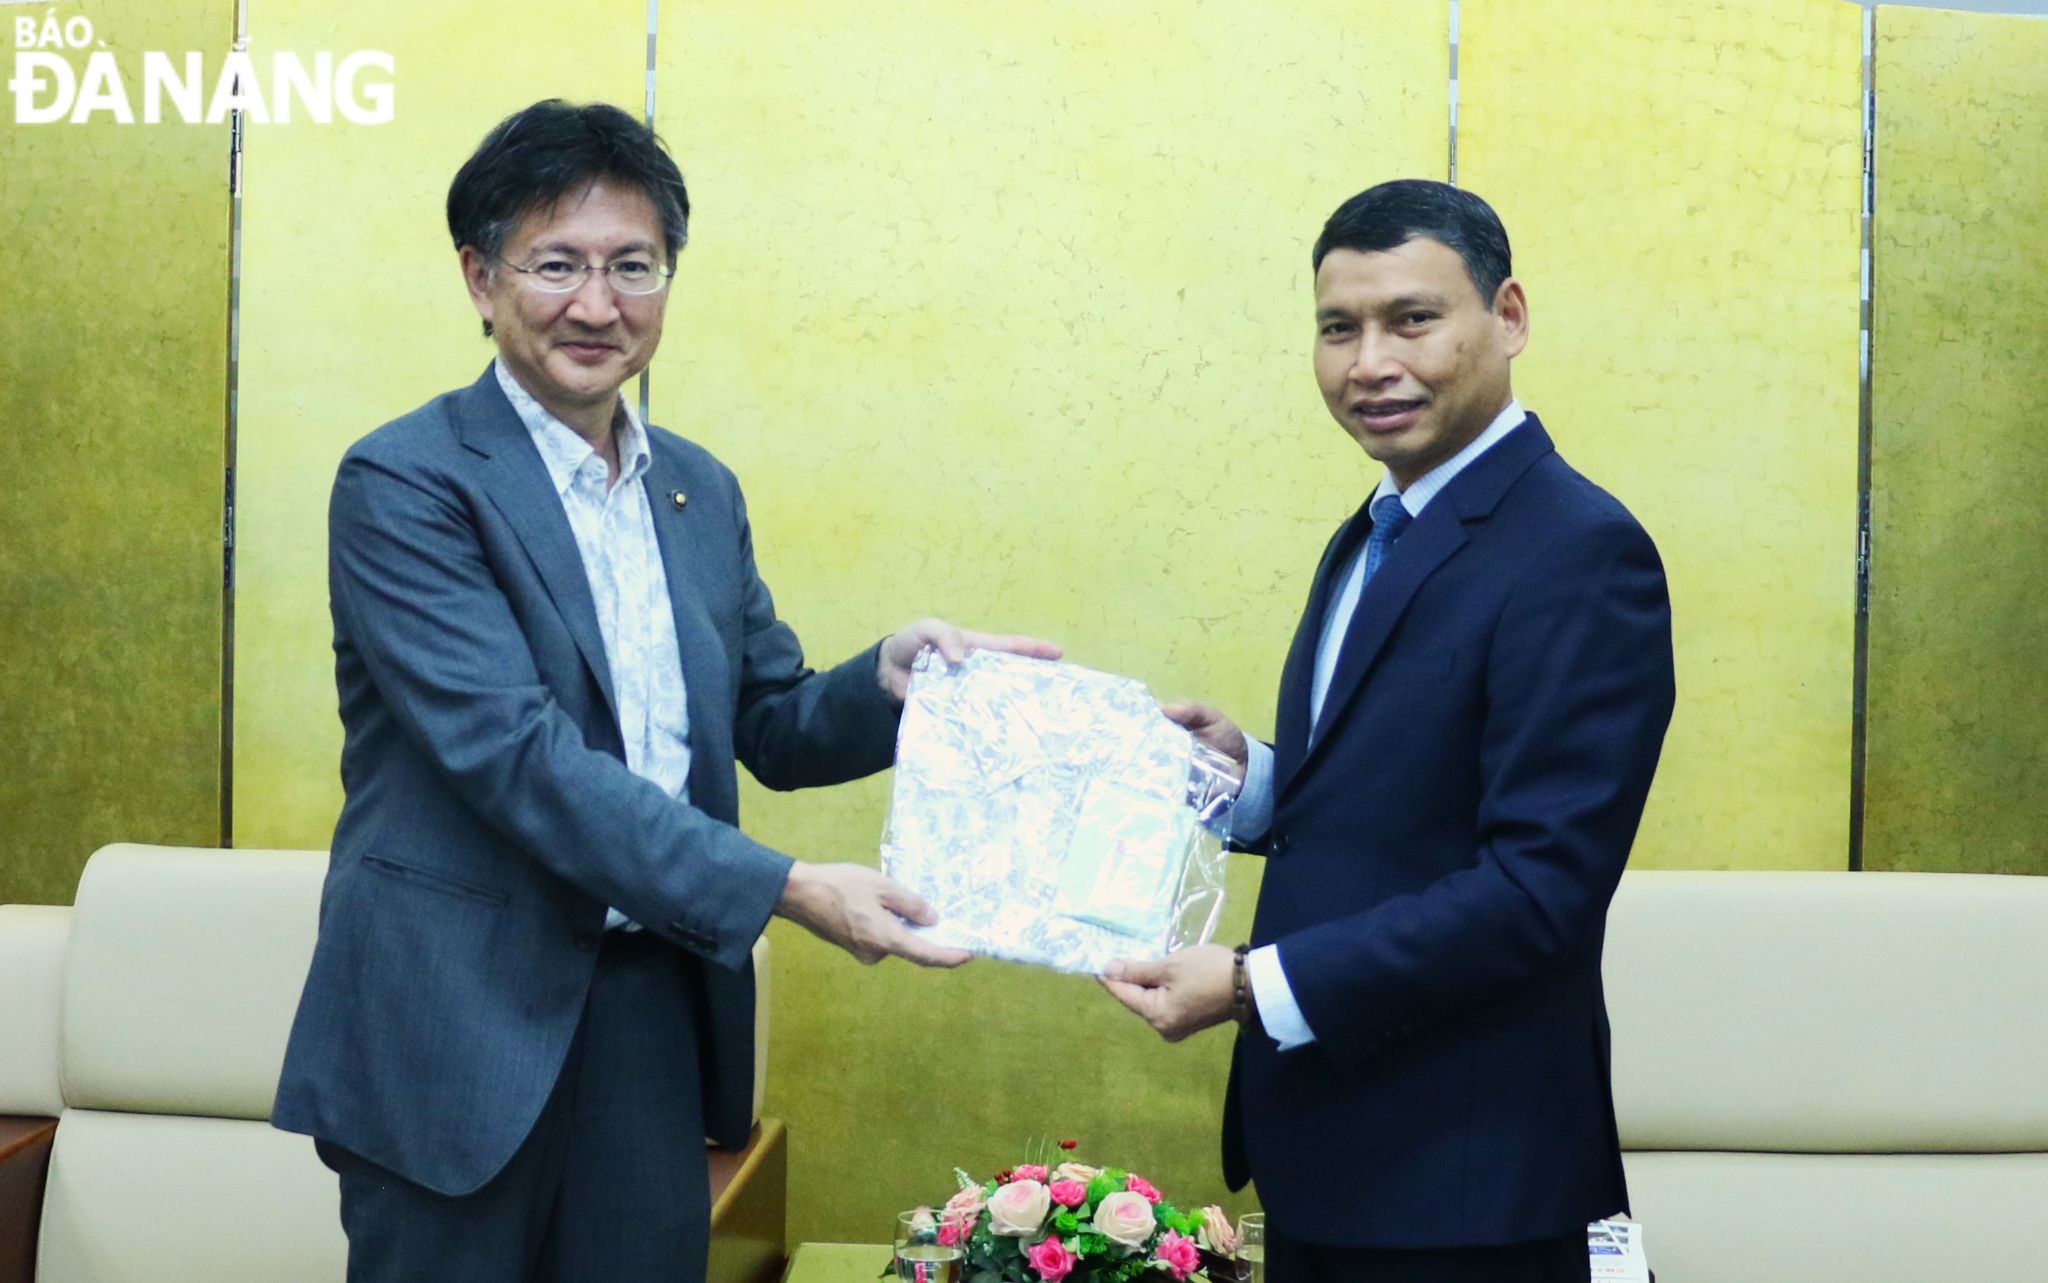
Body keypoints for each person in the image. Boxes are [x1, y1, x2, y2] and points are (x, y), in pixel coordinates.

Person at [272, 98, 1056, 1282]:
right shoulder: (406, 481)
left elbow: (767, 718)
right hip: (455, 1017)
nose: (598, 305)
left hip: (648, 1012)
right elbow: (514, 756)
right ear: (481, 280)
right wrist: (788, 887)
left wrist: (893, 680)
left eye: (633, 266)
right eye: (556, 265)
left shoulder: (696, 487)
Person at [1102, 180, 1675, 1282]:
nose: (1368, 361)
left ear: (1505, 316)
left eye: (1411, 318)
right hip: (1331, 1155)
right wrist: (1254, 780)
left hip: (1466, 1187)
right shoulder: (1374, 529)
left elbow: (1537, 888)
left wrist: (1247, 984)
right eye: (1337, 327)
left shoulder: (1578, 550)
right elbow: (1396, 797)